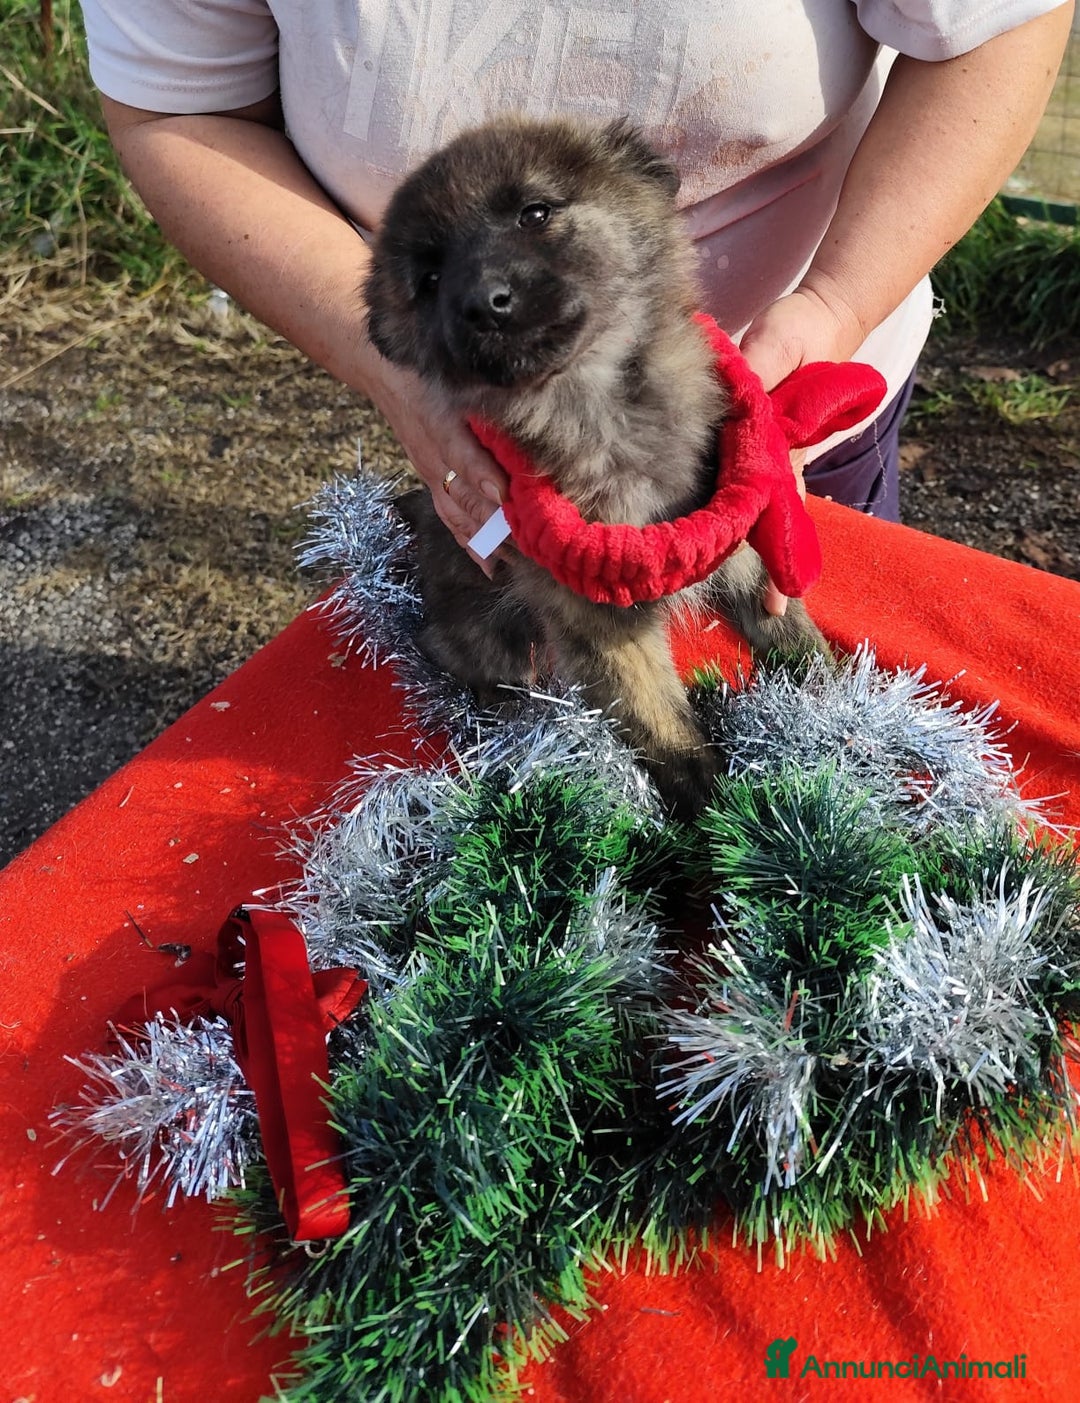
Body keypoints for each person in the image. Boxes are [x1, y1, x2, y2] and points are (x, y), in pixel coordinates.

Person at [79, 1, 1074, 614]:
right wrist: (392, 363)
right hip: (485, 422)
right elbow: (180, 106)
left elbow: (995, 27)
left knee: (797, 704)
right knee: (540, 716)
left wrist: (833, 305)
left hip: (786, 393)